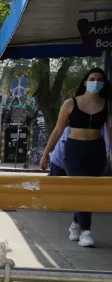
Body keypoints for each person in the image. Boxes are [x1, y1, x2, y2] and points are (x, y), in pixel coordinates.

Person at [40, 67, 108, 247]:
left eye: (100, 79)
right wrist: (46, 153)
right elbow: (58, 130)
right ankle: (86, 231)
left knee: (90, 190)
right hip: (74, 149)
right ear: (85, 82)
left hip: (96, 149)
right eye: (92, 78)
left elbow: (110, 131)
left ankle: (76, 224)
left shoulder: (107, 104)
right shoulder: (71, 103)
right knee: (80, 188)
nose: (96, 82)